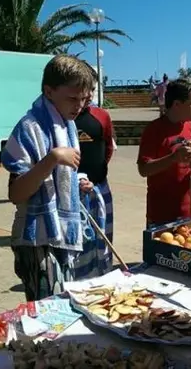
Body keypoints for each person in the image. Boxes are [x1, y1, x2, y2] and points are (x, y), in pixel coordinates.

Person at [2, 55, 96, 301]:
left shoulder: (68, 125)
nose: (79, 106)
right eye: (73, 98)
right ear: (49, 91)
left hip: (62, 236)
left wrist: (77, 184)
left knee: (64, 306)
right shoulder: (29, 128)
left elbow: (58, 180)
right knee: (49, 310)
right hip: (37, 240)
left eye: (84, 99)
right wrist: (52, 158)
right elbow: (16, 193)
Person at [138, 78, 191, 225]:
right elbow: (144, 169)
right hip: (161, 215)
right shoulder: (154, 130)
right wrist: (173, 158)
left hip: (190, 212)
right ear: (177, 104)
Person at [75, 88, 116, 276]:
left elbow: (107, 147)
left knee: (103, 239)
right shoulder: (64, 117)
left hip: (99, 187)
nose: (89, 94)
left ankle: (104, 274)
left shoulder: (102, 115)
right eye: (84, 89)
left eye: (92, 88)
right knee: (81, 243)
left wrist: (97, 174)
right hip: (74, 192)